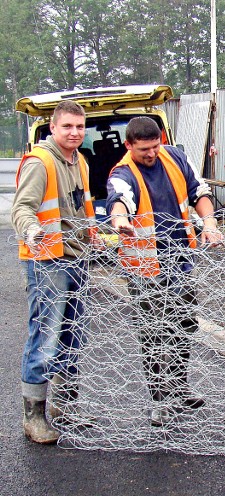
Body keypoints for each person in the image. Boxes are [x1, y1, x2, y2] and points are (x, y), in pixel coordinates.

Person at [106, 116, 223, 427]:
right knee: (153, 332)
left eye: (156, 146)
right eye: (144, 149)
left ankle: (180, 386)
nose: (151, 154)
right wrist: (120, 222)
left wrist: (209, 223)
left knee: (184, 324)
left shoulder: (175, 157)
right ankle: (158, 399)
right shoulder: (122, 174)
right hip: (145, 267)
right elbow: (118, 201)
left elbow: (200, 193)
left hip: (180, 260)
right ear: (129, 145)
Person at [12, 101, 97, 444]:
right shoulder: (41, 161)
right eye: (68, 127)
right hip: (48, 261)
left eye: (79, 127)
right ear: (53, 127)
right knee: (45, 337)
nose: (75, 133)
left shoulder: (80, 161)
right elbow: (22, 208)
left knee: (71, 337)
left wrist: (94, 236)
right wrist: (31, 231)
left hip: (76, 257)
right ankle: (33, 417)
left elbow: (79, 207)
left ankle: (67, 407)